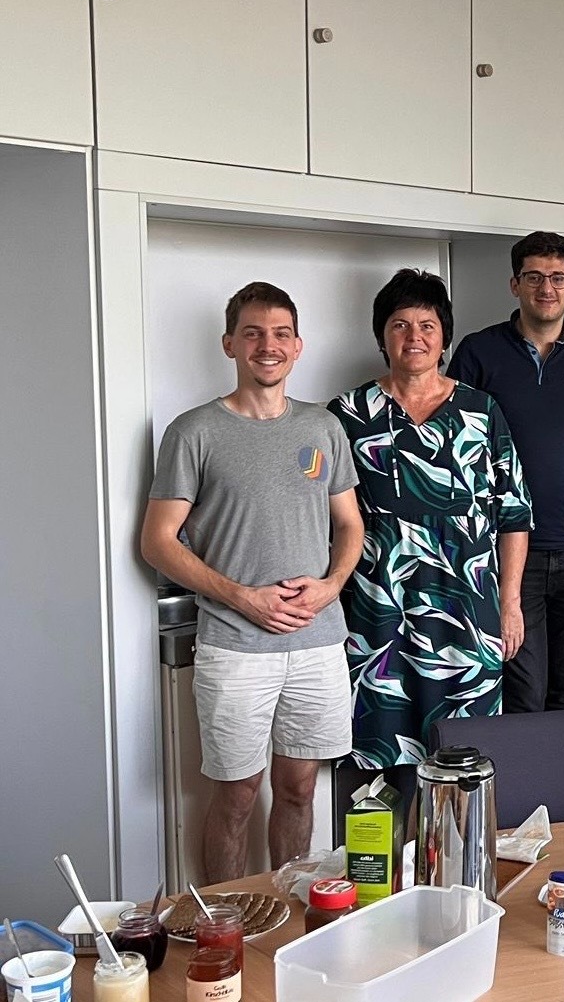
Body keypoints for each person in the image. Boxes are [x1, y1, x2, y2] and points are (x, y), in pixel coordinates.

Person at [140, 282, 363, 882]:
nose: (269, 345)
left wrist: (330, 586)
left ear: (299, 347)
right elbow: (157, 541)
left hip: (317, 642)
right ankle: (227, 926)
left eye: (281, 333)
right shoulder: (194, 432)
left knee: (297, 791)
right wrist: (242, 597)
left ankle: (289, 914)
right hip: (236, 646)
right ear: (230, 344)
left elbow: (350, 526)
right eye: (254, 333)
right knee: (237, 795)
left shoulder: (322, 428)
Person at [329, 269, 532, 792]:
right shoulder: (346, 415)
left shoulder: (481, 411)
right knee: (379, 763)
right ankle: (385, 872)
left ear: (444, 337)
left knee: (467, 761)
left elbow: (514, 514)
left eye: (427, 324)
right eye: (399, 325)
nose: (414, 337)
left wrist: (510, 604)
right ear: (381, 336)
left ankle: (460, 869)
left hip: (468, 612)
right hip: (378, 617)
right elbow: (321, 516)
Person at [447, 231, 564, 713]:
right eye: (534, 277)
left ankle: (560, 791)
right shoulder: (478, 352)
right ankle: (523, 792)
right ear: (514, 284)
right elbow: (457, 456)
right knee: (523, 694)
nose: (546, 288)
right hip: (508, 556)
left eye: (557, 278)